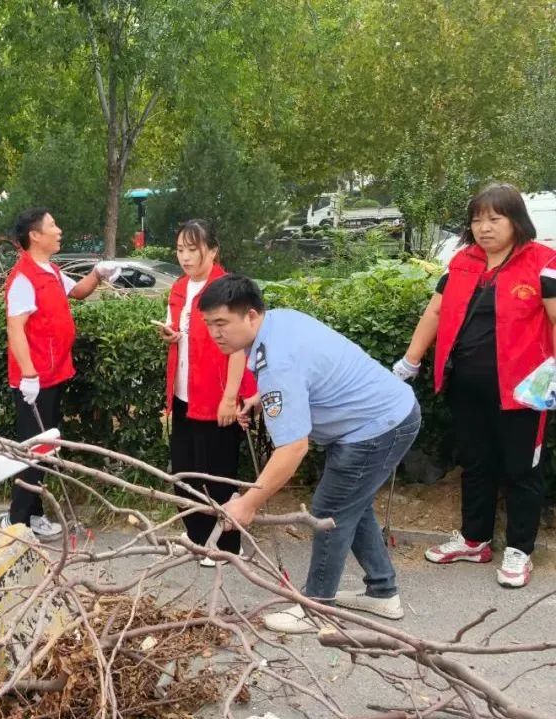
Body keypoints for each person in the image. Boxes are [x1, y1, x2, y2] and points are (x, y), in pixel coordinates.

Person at [199, 275, 421, 634]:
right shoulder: (277, 323)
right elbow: (303, 379)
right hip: (384, 415)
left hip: (378, 426)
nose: (215, 333)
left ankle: (316, 606)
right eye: (209, 324)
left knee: (330, 510)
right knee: (352, 504)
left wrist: (248, 504)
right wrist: (262, 399)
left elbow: (293, 448)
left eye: (222, 323)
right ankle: (383, 591)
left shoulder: (277, 362)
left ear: (251, 315)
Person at [393, 183, 556, 588]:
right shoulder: (462, 262)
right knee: (476, 465)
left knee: (522, 470)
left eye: (494, 218)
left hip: (523, 391)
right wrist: (409, 362)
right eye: (477, 219)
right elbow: (434, 313)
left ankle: (520, 550)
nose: (484, 227)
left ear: (516, 220)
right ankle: (474, 539)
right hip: (466, 386)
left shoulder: (544, 262)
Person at [0, 208, 120, 538]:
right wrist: (29, 375)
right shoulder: (23, 278)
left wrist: (98, 273)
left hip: (55, 373)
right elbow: (15, 329)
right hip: (35, 381)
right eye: (52, 226)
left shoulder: (50, 270)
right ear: (35, 235)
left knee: (45, 448)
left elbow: (78, 292)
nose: (58, 230)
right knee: (33, 451)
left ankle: (33, 515)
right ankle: (16, 520)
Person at [158, 220, 256, 566]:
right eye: (180, 249)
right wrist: (173, 336)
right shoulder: (179, 288)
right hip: (184, 392)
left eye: (192, 249)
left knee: (219, 471)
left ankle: (228, 543)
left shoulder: (226, 290)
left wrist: (231, 396)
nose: (184, 257)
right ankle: (197, 536)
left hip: (217, 395)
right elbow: (187, 335)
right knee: (187, 470)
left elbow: (239, 347)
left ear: (212, 251)